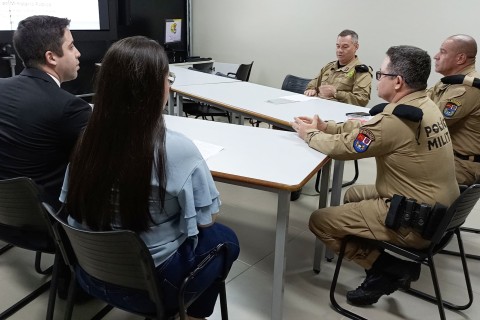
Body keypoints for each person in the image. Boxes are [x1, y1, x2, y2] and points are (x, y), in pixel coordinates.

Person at [60, 36, 240, 320]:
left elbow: (67, 201)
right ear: (157, 88)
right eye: (168, 78)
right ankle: (190, 315)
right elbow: (206, 221)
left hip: (89, 274)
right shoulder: (178, 149)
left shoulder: (87, 140)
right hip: (153, 289)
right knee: (226, 238)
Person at [291, 45, 459, 306]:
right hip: (440, 209)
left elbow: (345, 148)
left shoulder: (398, 120)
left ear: (398, 82)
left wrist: (310, 134)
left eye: (382, 74)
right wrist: (326, 126)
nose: (378, 79)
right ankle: (370, 242)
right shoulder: (425, 104)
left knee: (319, 220)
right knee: (353, 193)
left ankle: (385, 269)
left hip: (415, 218)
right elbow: (367, 128)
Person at [0, 15, 92, 210]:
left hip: (8, 214)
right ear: (51, 57)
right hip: (54, 218)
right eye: (71, 47)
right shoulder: (69, 108)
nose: (78, 53)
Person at [427, 34, 480, 186]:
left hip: (461, 166)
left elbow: (432, 124)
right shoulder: (448, 82)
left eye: (443, 52)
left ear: (460, 59)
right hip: (448, 158)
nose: (436, 56)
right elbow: (421, 101)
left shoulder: (466, 88)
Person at [304, 29, 372, 107]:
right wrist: (311, 90)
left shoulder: (361, 72)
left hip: (341, 112)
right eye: (338, 46)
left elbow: (361, 100)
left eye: (345, 47)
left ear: (356, 47)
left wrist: (336, 93)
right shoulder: (329, 67)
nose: (340, 50)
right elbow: (312, 85)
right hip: (319, 107)